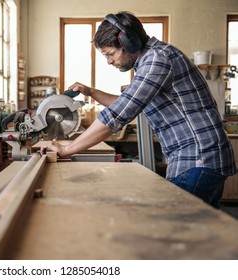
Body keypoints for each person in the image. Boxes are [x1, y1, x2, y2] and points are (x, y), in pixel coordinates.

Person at [41, 11, 237, 208]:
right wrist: (91, 92)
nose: (109, 61)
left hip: (198, 159)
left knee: (175, 231)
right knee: (198, 232)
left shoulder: (157, 60)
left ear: (129, 43)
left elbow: (119, 114)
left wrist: (66, 150)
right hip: (198, 159)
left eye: (110, 54)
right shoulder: (151, 59)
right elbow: (127, 103)